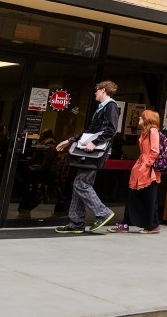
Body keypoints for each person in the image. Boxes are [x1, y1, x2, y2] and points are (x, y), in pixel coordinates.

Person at [54, 81, 120, 233]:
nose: (95, 93)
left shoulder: (111, 106)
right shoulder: (102, 108)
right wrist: (70, 140)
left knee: (81, 183)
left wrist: (94, 142)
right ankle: (76, 223)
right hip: (92, 151)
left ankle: (103, 212)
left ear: (103, 90)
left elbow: (111, 130)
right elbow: (90, 131)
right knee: (81, 183)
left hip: (96, 152)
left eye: (97, 90)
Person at [110, 110, 162, 233]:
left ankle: (152, 225)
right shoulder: (145, 132)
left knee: (148, 198)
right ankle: (126, 223)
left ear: (147, 119)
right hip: (140, 168)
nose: (139, 118)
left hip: (147, 171)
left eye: (142, 117)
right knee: (134, 196)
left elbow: (155, 151)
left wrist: (146, 165)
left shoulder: (153, 131)